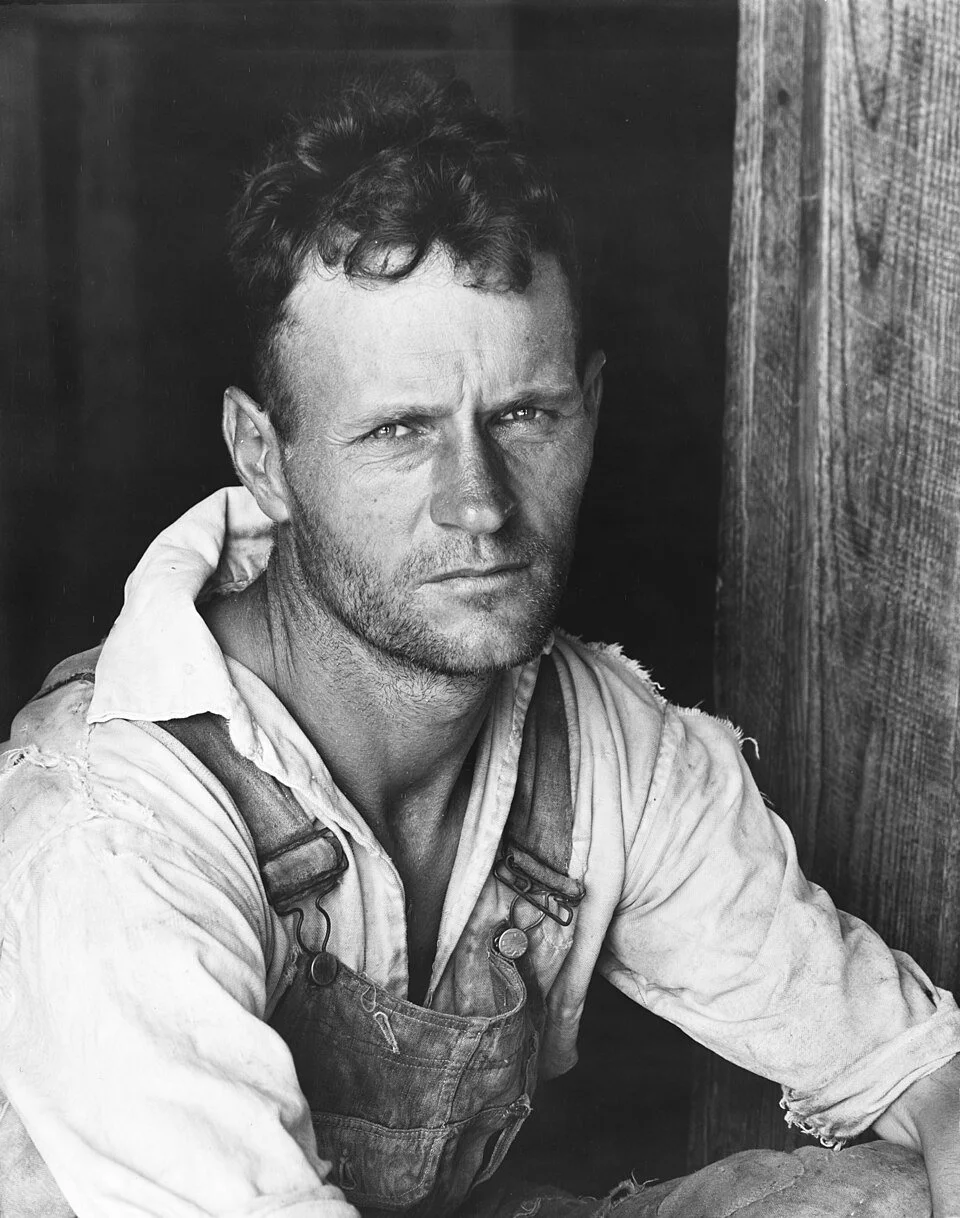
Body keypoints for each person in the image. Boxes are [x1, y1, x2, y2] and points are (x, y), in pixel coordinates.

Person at [0, 72, 958, 1218]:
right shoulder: (108, 830)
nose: (482, 504)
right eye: (402, 431)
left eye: (523, 416)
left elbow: (915, 1066)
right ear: (263, 454)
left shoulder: (606, 748)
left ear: (589, 412)